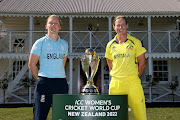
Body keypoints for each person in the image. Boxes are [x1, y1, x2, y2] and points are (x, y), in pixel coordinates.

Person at [105, 16, 147, 120]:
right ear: (114, 27)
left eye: (123, 24)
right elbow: (110, 64)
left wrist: (132, 76)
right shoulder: (110, 45)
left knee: (140, 116)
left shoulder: (135, 42)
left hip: (133, 83)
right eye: (118, 25)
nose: (120, 27)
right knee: (116, 117)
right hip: (116, 84)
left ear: (127, 26)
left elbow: (142, 64)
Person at [28, 15, 68, 120]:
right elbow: (31, 64)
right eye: (51, 23)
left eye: (56, 23)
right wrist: (40, 80)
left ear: (60, 27)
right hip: (44, 83)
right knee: (40, 116)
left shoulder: (64, 44)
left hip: (61, 83)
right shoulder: (40, 43)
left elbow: (62, 63)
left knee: (61, 117)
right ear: (46, 26)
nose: (53, 25)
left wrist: (56, 74)